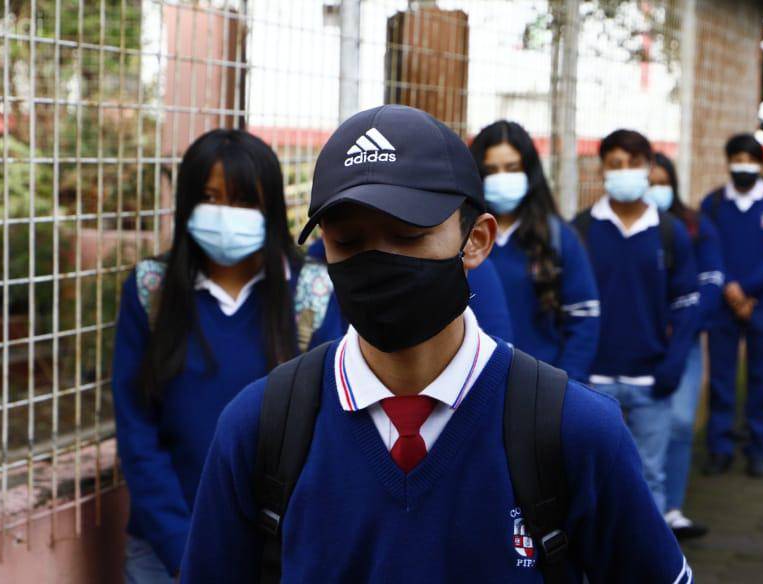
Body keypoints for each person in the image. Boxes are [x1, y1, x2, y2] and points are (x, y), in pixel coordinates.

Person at [181, 105, 691, 583]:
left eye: (406, 235)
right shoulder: (259, 430)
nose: (377, 262)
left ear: (477, 240)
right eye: (349, 241)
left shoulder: (574, 431)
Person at [111, 129, 299, 582]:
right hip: (165, 554)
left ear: (269, 208)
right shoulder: (149, 289)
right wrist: (183, 552)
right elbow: (137, 433)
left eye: (241, 201)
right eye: (210, 197)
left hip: (279, 555)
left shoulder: (313, 293)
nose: (224, 215)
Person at [575, 129, 700, 514]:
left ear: (648, 168)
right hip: (595, 382)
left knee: (650, 479)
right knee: (590, 480)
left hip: (651, 381)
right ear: (602, 169)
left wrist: (672, 365)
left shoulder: (669, 232)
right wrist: (577, 371)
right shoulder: (581, 230)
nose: (624, 172)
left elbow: (686, 305)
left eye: (633, 164)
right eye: (615, 165)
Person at [470, 120, 600, 381]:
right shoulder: (462, 238)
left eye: (512, 168)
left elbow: (584, 316)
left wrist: (567, 383)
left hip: (542, 385)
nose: (502, 177)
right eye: (492, 170)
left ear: (529, 170)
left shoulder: (558, 237)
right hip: (474, 385)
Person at [700, 133, 763, 479]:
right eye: (737, 159)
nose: (743, 166)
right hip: (724, 306)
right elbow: (709, 250)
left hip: (762, 305)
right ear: (728, 163)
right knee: (721, 379)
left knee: (760, 379)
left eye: (750, 160)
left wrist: (748, 290)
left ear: (762, 164)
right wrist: (729, 289)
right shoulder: (712, 204)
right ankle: (719, 448)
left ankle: (758, 449)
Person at [649, 152, 723, 539]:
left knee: (679, 421)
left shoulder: (694, 226)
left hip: (685, 341)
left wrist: (685, 323)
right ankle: (641, 507)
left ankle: (672, 508)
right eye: (650, 181)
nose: (654, 189)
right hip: (638, 343)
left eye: (662, 181)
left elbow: (711, 281)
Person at [299, 237, 515, 348]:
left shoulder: (472, 270)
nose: (382, 253)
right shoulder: (320, 272)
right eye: (348, 239)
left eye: (409, 236)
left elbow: (497, 340)